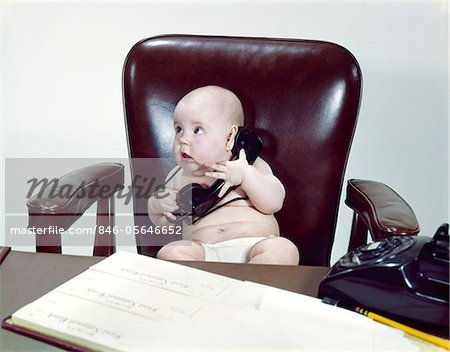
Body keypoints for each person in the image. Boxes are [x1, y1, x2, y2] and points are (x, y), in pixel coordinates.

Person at [148, 85, 299, 265]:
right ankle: (204, 287)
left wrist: (246, 176)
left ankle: (250, 288)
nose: (183, 139)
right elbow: (166, 222)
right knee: (169, 252)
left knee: (283, 250)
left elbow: (274, 202)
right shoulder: (179, 176)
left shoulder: (250, 165)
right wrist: (157, 205)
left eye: (197, 130)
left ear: (230, 137)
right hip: (203, 252)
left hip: (254, 248)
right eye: (179, 129)